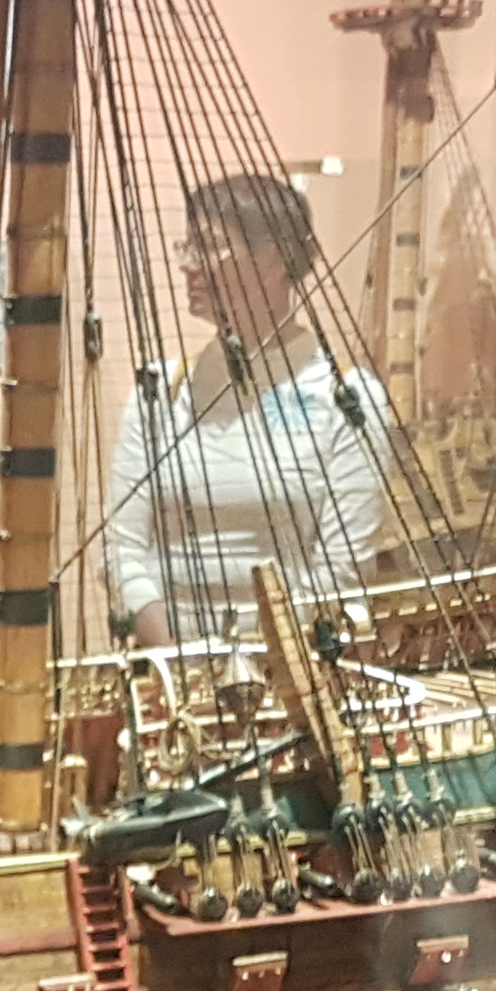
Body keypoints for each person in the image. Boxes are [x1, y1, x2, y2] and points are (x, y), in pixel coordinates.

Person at [105, 171, 392, 649]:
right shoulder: (158, 393)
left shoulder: (345, 397)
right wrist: (179, 660)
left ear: (276, 258)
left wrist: (253, 670)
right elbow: (123, 549)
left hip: (290, 672)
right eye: (187, 247)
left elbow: (341, 571)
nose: (188, 266)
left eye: (210, 247)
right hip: (167, 674)